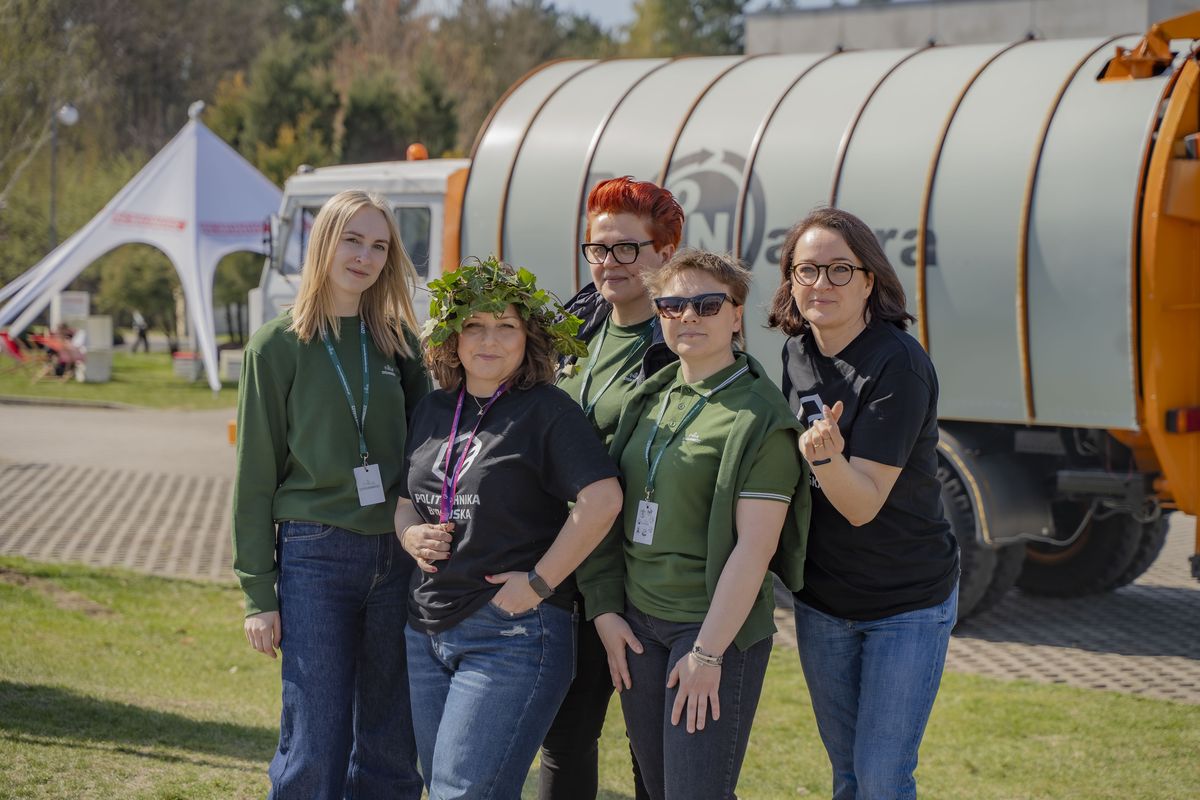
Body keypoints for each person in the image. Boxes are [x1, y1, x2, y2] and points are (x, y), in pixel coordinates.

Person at [578, 249, 809, 800]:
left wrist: (708, 653)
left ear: (736, 315)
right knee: (659, 790)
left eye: (707, 304)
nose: (688, 316)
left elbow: (754, 550)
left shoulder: (760, 416)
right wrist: (605, 610)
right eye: (672, 305)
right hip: (638, 625)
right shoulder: (651, 396)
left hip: (707, 632)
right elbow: (607, 507)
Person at [396, 256, 624, 800]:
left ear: (528, 338)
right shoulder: (433, 409)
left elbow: (602, 499)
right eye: (474, 325)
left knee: (463, 793)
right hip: (426, 630)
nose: (489, 340)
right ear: (452, 336)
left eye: (506, 326)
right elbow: (404, 501)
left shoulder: (547, 410)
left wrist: (540, 583)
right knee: (444, 787)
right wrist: (409, 535)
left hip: (510, 632)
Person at [232, 189, 429, 799]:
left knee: (391, 744)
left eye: (379, 246)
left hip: (395, 556)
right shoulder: (275, 346)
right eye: (353, 240)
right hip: (314, 556)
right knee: (315, 741)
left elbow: (427, 454)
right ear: (323, 243)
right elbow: (254, 477)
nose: (365, 257)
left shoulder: (399, 342)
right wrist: (258, 593)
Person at [767, 206, 960, 800]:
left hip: (906, 603)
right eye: (806, 270)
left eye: (839, 270)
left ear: (869, 280)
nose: (821, 283)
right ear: (791, 279)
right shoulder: (797, 353)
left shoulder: (898, 363)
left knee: (881, 777)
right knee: (848, 774)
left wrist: (826, 459)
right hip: (824, 601)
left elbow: (862, 505)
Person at [546, 175, 684, 800]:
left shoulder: (683, 341)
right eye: (599, 248)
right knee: (565, 740)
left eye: (628, 247)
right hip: (564, 566)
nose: (609, 262)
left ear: (665, 253)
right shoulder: (574, 328)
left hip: (639, 576)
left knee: (651, 752)